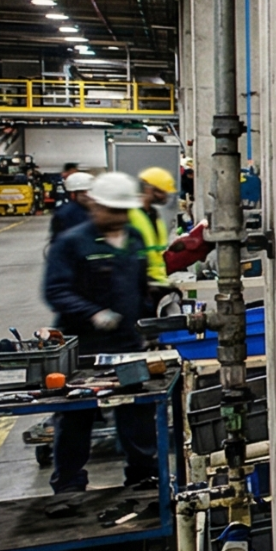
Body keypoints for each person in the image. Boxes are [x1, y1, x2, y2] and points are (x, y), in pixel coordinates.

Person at [42, 171, 159, 492]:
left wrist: (151, 320)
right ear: (94, 205)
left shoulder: (133, 238)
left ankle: (142, 477)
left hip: (127, 344)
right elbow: (55, 291)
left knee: (137, 413)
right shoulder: (71, 243)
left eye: (123, 211)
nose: (118, 217)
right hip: (84, 347)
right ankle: (68, 486)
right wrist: (92, 313)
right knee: (76, 417)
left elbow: (139, 286)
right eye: (112, 210)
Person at [132, 165, 176, 288]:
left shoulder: (154, 215)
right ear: (148, 190)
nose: (165, 197)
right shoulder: (132, 215)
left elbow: (157, 252)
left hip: (157, 282)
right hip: (142, 283)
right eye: (162, 192)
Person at [48, 170, 93, 245]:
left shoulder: (99, 211)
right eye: (82, 192)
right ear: (73, 194)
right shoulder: (64, 214)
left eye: (89, 191)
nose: (87, 195)